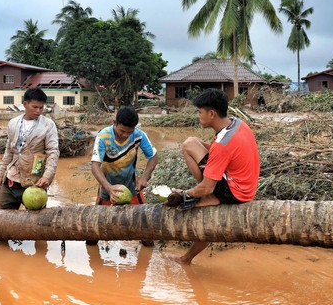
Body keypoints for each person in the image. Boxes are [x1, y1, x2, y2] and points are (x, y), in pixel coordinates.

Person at [168, 88, 260, 264]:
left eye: (200, 112)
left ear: (211, 114)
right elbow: (223, 151)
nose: (198, 116)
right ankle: (187, 258)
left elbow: (208, 184)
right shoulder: (238, 124)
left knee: (188, 147)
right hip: (247, 185)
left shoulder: (222, 144)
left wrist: (186, 194)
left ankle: (211, 197)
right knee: (192, 142)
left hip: (235, 192)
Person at [89, 106, 159, 245]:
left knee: (145, 231)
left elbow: (154, 156)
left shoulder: (139, 135)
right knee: (93, 234)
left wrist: (144, 177)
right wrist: (108, 188)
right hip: (107, 187)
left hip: (131, 186)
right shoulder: (103, 136)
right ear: (114, 121)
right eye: (122, 131)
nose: (125, 135)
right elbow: (95, 165)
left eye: (129, 132)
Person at [0, 87, 59, 209]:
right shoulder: (13, 123)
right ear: (25, 104)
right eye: (35, 107)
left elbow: (53, 152)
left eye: (41, 107)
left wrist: (47, 176)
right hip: (12, 178)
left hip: (35, 182)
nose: (38, 111)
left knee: (37, 221)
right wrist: (0, 173)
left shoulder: (48, 125)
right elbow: (9, 150)